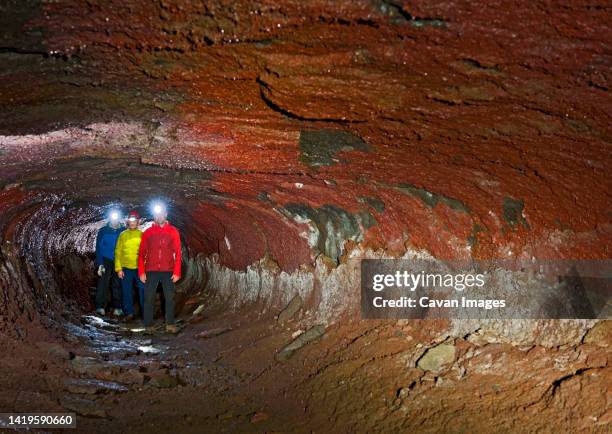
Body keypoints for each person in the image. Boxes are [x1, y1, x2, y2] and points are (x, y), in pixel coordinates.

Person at [138, 204, 181, 333]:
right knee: (149, 297)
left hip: (168, 270)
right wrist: (141, 271)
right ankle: (148, 325)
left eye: (161, 213)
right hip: (151, 270)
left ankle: (170, 324)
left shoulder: (173, 231)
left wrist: (177, 271)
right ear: (154, 216)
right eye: (157, 214)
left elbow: (178, 253)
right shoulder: (148, 232)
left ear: (166, 214)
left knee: (169, 297)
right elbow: (141, 253)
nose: (159, 216)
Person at [114, 210, 144, 322]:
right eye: (130, 220)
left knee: (143, 290)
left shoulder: (142, 235)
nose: (132, 222)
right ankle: (129, 313)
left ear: (138, 222)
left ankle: (146, 314)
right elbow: (118, 252)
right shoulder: (123, 235)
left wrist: (145, 269)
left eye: (134, 220)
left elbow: (145, 252)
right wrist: (119, 269)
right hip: (126, 268)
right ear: (128, 221)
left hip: (139, 269)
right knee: (126, 291)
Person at [94, 211, 123, 316]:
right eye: (112, 218)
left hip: (119, 260)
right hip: (106, 259)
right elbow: (99, 248)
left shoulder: (123, 231)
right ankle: (100, 306)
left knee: (118, 283)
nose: (114, 220)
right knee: (103, 282)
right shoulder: (103, 231)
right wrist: (100, 264)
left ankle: (118, 307)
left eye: (116, 217)